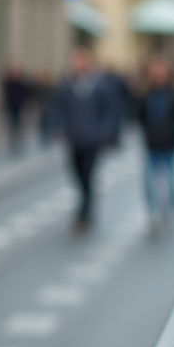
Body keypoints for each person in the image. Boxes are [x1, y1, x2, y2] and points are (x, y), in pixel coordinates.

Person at [52, 47, 124, 234]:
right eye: (76, 61)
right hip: (75, 138)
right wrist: (60, 127)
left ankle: (84, 213)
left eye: (81, 61)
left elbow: (111, 110)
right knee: (76, 173)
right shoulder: (67, 86)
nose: (78, 64)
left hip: (93, 139)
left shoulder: (101, 86)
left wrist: (107, 131)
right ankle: (84, 205)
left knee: (88, 175)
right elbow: (59, 109)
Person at [136, 56, 174, 233]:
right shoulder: (145, 94)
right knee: (149, 182)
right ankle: (153, 213)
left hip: (170, 143)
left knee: (171, 181)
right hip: (151, 143)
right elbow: (140, 117)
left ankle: (171, 211)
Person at [0, 63, 30, 155]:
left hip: (18, 108)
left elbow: (25, 94)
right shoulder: (7, 83)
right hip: (10, 107)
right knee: (11, 126)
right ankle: (12, 144)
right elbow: (4, 96)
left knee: (18, 126)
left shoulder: (20, 83)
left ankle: (18, 143)